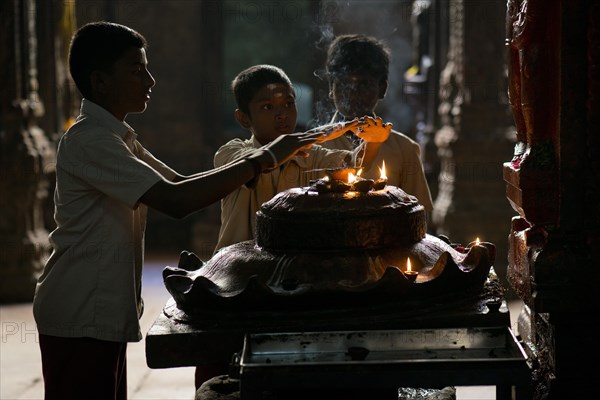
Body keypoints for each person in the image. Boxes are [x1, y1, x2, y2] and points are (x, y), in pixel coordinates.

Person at [31, 22, 324, 400]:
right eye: (137, 70)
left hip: (97, 308)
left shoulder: (120, 137)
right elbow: (176, 199)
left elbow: (184, 182)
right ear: (101, 81)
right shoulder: (91, 140)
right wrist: (264, 158)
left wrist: (260, 161)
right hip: (78, 307)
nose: (150, 80)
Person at [212, 64, 391, 252]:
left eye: (288, 104)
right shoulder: (230, 152)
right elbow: (255, 162)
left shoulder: (312, 155)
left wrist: (373, 142)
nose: (282, 114)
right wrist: (310, 138)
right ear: (244, 119)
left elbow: (352, 165)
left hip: (293, 269)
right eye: (268, 107)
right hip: (238, 270)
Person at [319, 34, 434, 214]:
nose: (353, 93)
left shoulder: (405, 150)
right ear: (331, 88)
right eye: (344, 84)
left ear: (382, 88)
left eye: (364, 84)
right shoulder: (312, 145)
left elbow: (421, 213)